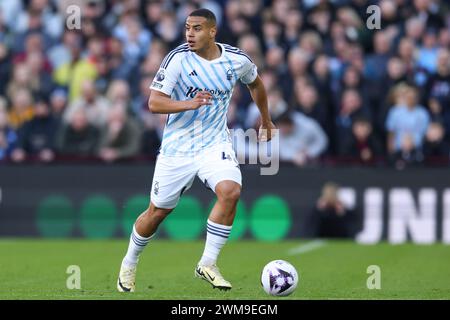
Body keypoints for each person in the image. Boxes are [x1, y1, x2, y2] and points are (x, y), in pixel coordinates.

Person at [117, 9, 275, 292]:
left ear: (212, 32)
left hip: (214, 143)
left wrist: (266, 119)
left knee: (231, 191)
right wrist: (188, 104)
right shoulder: (178, 59)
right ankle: (130, 261)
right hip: (178, 148)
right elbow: (154, 103)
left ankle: (207, 263)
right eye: (187, 28)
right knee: (157, 213)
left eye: (197, 28)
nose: (189, 33)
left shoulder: (237, 60)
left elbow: (257, 84)